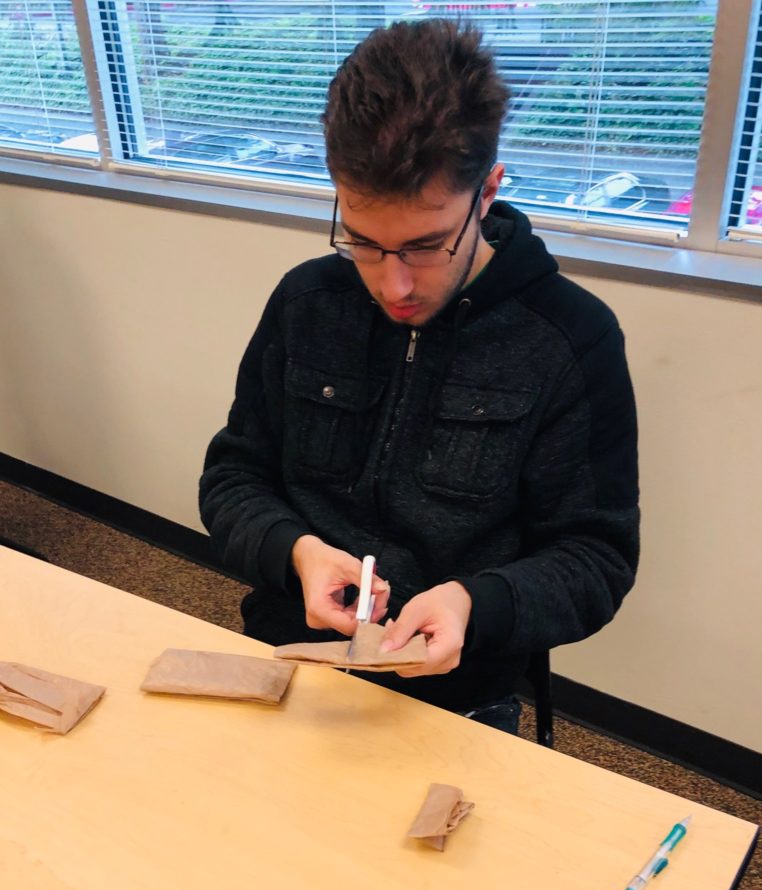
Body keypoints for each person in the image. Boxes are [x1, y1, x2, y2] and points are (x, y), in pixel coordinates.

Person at [199, 19, 639, 733]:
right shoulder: (307, 302)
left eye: (427, 246)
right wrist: (297, 554)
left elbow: (597, 558)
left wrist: (475, 601)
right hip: (292, 661)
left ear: (488, 191)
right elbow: (232, 477)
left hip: (459, 694)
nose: (393, 284)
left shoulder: (570, 339)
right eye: (364, 242)